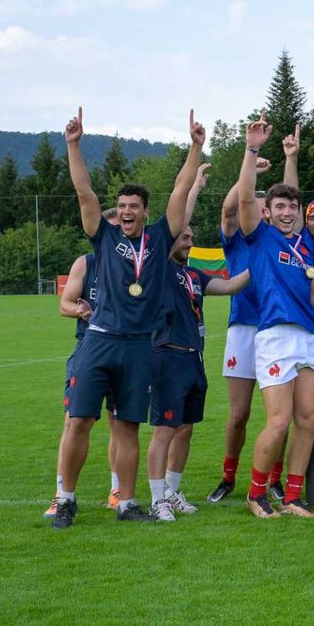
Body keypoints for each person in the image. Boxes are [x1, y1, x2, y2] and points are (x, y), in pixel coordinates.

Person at [51, 107, 206, 529]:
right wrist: (73, 145)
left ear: (144, 209)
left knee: (128, 427)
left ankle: (128, 503)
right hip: (100, 339)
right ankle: (65, 499)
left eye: (133, 206)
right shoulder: (104, 237)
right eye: (120, 206)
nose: (126, 212)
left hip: (140, 345)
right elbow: (84, 192)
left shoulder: (160, 237)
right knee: (80, 420)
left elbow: (181, 188)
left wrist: (195, 147)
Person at [236, 114, 314, 518]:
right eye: (280, 206)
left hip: (309, 338)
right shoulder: (261, 237)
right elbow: (243, 200)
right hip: (275, 337)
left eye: (293, 205)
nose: (287, 211)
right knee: (279, 421)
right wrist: (252, 148)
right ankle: (256, 494)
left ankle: (291, 497)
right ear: (267, 212)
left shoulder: (303, 248)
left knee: (307, 419)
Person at [207, 149, 296, 506]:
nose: (264, 211)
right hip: (243, 329)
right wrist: (248, 174)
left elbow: (291, 198)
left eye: (268, 207)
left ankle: (274, 480)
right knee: (239, 413)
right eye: (259, 205)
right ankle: (228, 477)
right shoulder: (236, 240)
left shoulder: (282, 240)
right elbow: (230, 208)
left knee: (280, 415)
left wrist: (290, 158)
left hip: (278, 330)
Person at [145, 223, 249, 521]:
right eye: (185, 237)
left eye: (192, 236)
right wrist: (194, 186)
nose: (190, 242)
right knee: (164, 430)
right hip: (167, 356)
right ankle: (156, 498)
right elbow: (175, 221)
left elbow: (230, 286)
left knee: (186, 428)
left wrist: (261, 259)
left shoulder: (193, 275)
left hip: (194, 359)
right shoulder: (160, 268)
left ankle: (172, 491)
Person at [47, 216, 120, 519]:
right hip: (88, 348)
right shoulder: (86, 263)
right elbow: (64, 304)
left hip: (125, 351)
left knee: (122, 423)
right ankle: (61, 494)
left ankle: (117, 491)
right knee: (74, 421)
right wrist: (81, 310)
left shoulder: (137, 266)